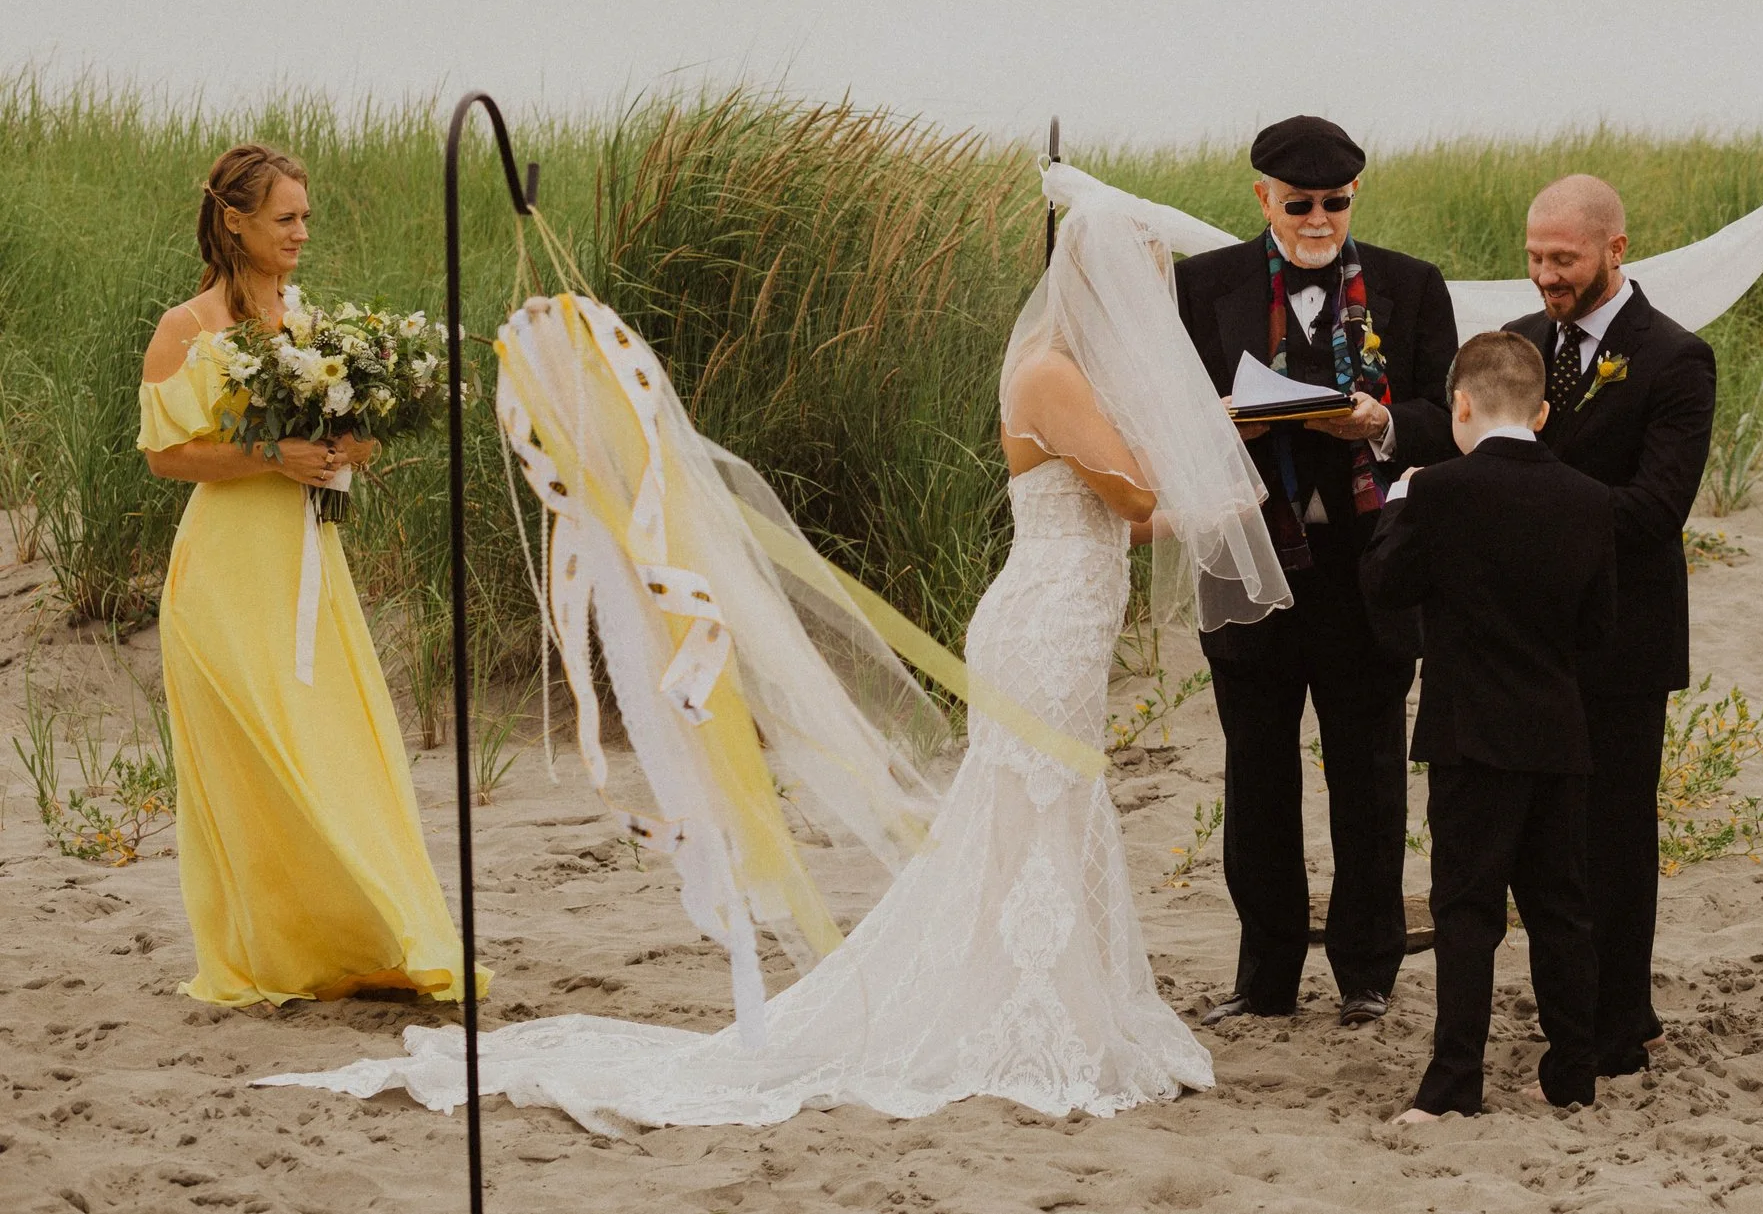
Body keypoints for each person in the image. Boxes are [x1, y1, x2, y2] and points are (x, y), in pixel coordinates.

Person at [266, 179, 1290, 1127]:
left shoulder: (1077, 375)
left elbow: (1133, 521)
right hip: (1042, 621)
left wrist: (1216, 479)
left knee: (1048, 811)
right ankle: (1024, 1012)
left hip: (1072, 610)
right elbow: (1141, 495)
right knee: (1029, 811)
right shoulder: (1054, 373)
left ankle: (1059, 1001)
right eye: (1146, 295)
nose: (1154, 321)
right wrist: (1218, 460)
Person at [136, 143, 469, 1005]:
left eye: (306, 217)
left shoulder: (309, 324)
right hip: (223, 575)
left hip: (308, 563)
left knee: (338, 747)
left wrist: (350, 444)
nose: (301, 232)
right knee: (258, 760)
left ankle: (372, 935)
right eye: (285, 218)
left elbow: (344, 434)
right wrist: (269, 454)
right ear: (236, 221)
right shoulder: (188, 326)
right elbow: (167, 455)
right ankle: (275, 950)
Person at [1174, 115, 1459, 1028]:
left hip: (1363, 563)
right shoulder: (1199, 286)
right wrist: (1223, 423)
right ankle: (1263, 978)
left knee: (1369, 773)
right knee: (1257, 772)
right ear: (1262, 198)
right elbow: (1164, 415)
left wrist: (1378, 422)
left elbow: (1442, 412)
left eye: (1335, 201)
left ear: (1354, 198)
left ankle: (1367, 973)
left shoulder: (1412, 286)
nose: (1317, 217)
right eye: (1298, 202)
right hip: (1254, 560)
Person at [1361, 331, 1613, 1121]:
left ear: (1460, 404)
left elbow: (1386, 586)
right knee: (1561, 910)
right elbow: (1598, 630)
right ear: (1540, 412)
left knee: (1467, 914)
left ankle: (1453, 1086)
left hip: (1470, 734)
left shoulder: (1438, 491)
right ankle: (1572, 1073)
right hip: (1557, 731)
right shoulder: (1590, 497)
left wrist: (1399, 502)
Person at [1503, 174, 1715, 1077]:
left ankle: (1623, 1017)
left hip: (1625, 636)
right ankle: (1568, 1005)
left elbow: (1654, 508)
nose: (1548, 276)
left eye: (1565, 259)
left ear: (1615, 250)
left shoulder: (1675, 358)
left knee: (1618, 834)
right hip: (1527, 637)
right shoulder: (1513, 345)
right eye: (1536, 257)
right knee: (1544, 832)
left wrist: (1530, 505)